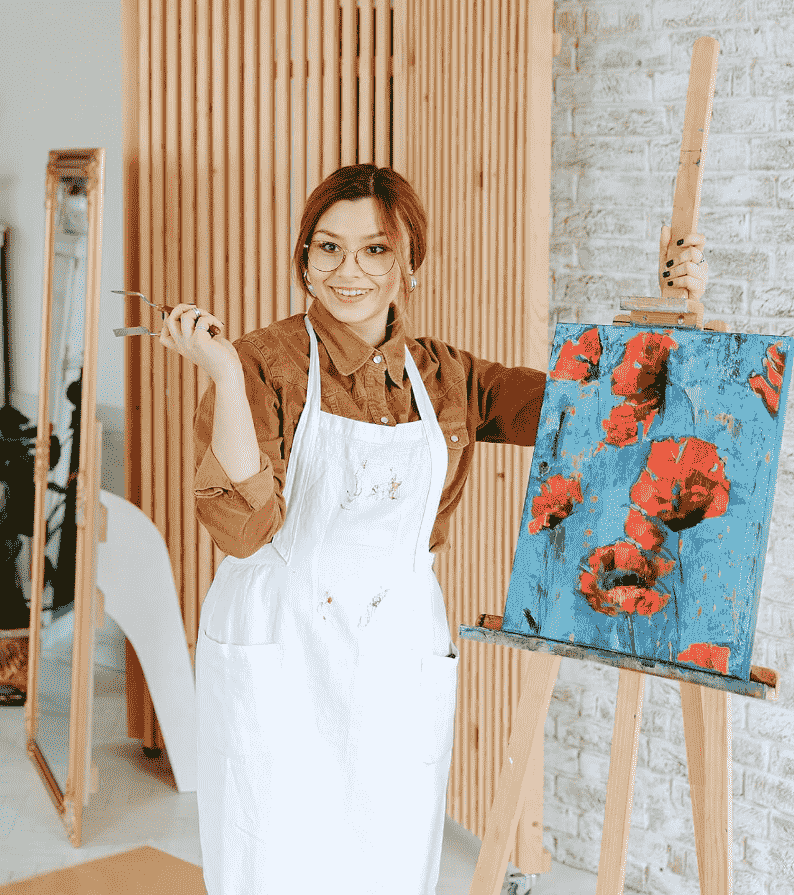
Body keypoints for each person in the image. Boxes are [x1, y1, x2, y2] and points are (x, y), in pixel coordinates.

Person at [159, 163, 708, 895]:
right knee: (275, 857)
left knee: (387, 857)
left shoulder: (448, 377)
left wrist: (677, 311)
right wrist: (224, 376)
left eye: (375, 250)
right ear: (304, 258)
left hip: (397, 647)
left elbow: (592, 406)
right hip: (281, 643)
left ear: (409, 262)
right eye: (328, 248)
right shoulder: (260, 364)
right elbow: (243, 527)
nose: (348, 271)